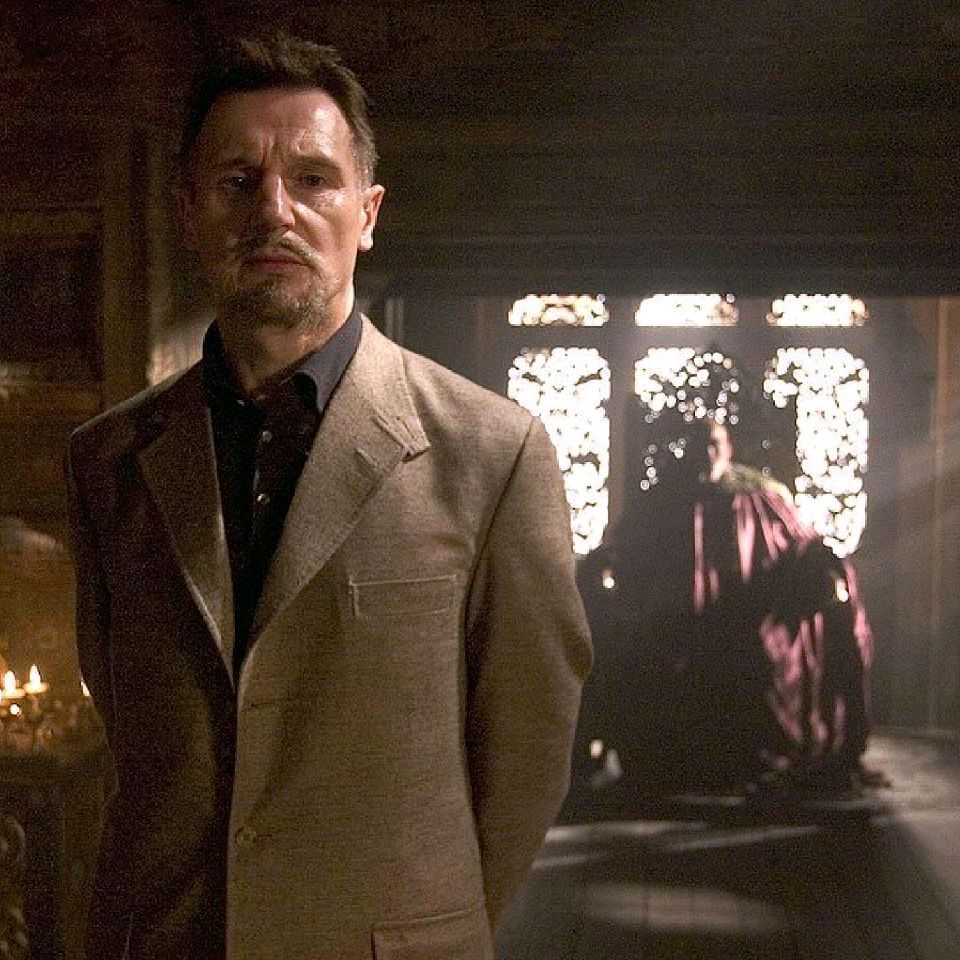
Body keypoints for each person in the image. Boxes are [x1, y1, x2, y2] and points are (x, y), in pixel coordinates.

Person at [65, 34, 591, 960]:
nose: (274, 210)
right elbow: (131, 733)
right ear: (187, 212)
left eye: (313, 180)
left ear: (367, 212)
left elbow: (527, 759)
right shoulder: (108, 458)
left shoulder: (492, 453)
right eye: (237, 182)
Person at [578, 415, 872, 797]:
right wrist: (605, 571)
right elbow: (621, 547)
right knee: (644, 647)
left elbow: (802, 543)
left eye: (714, 444)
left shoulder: (762, 497)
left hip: (751, 611)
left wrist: (828, 571)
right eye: (699, 445)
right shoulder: (660, 502)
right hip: (673, 617)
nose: (707, 453)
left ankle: (757, 756)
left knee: (764, 649)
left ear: (728, 449)